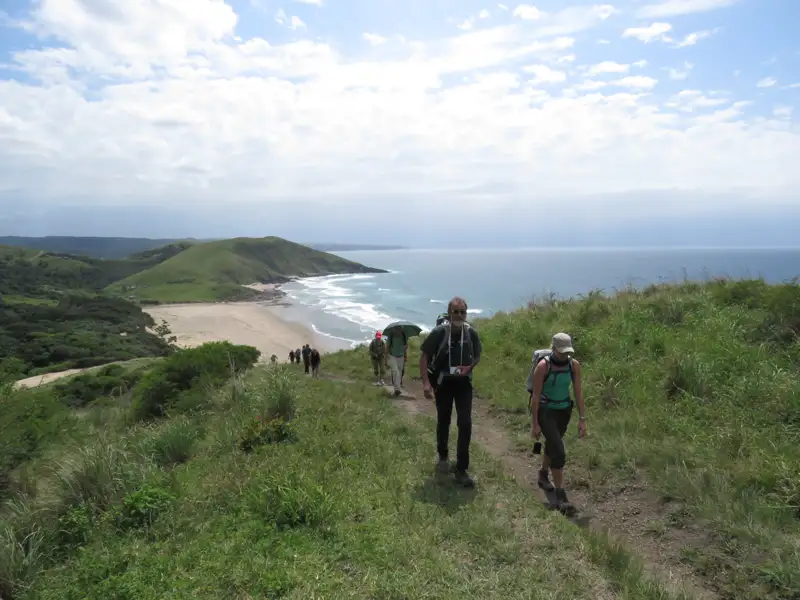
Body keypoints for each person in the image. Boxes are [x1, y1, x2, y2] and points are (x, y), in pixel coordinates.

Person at [419, 296, 482, 488]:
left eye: (462, 312)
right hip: (443, 382)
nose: (459, 315)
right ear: (449, 313)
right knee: (444, 420)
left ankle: (462, 469)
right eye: (455, 311)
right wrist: (426, 384)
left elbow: (477, 355)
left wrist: (468, 368)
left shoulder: (471, 333)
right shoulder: (439, 332)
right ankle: (443, 455)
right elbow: (424, 357)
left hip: (464, 384)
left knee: (465, 423)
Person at [530, 332, 587, 512]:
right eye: (561, 352)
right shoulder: (542, 366)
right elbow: (535, 397)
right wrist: (535, 423)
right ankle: (561, 496)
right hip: (546, 411)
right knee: (559, 451)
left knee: (553, 445)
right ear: (553, 348)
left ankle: (542, 475)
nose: (565, 355)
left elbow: (578, 393)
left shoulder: (574, 366)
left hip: (564, 410)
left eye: (567, 352)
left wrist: (582, 419)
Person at [384, 326, 408, 397]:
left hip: (401, 356)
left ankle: (396, 389)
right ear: (394, 329)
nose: (399, 330)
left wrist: (406, 354)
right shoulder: (391, 335)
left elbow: (405, 346)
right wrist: (385, 359)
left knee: (400, 373)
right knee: (395, 371)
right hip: (392, 356)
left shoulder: (404, 335)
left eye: (400, 328)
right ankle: (397, 389)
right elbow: (387, 347)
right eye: (397, 329)